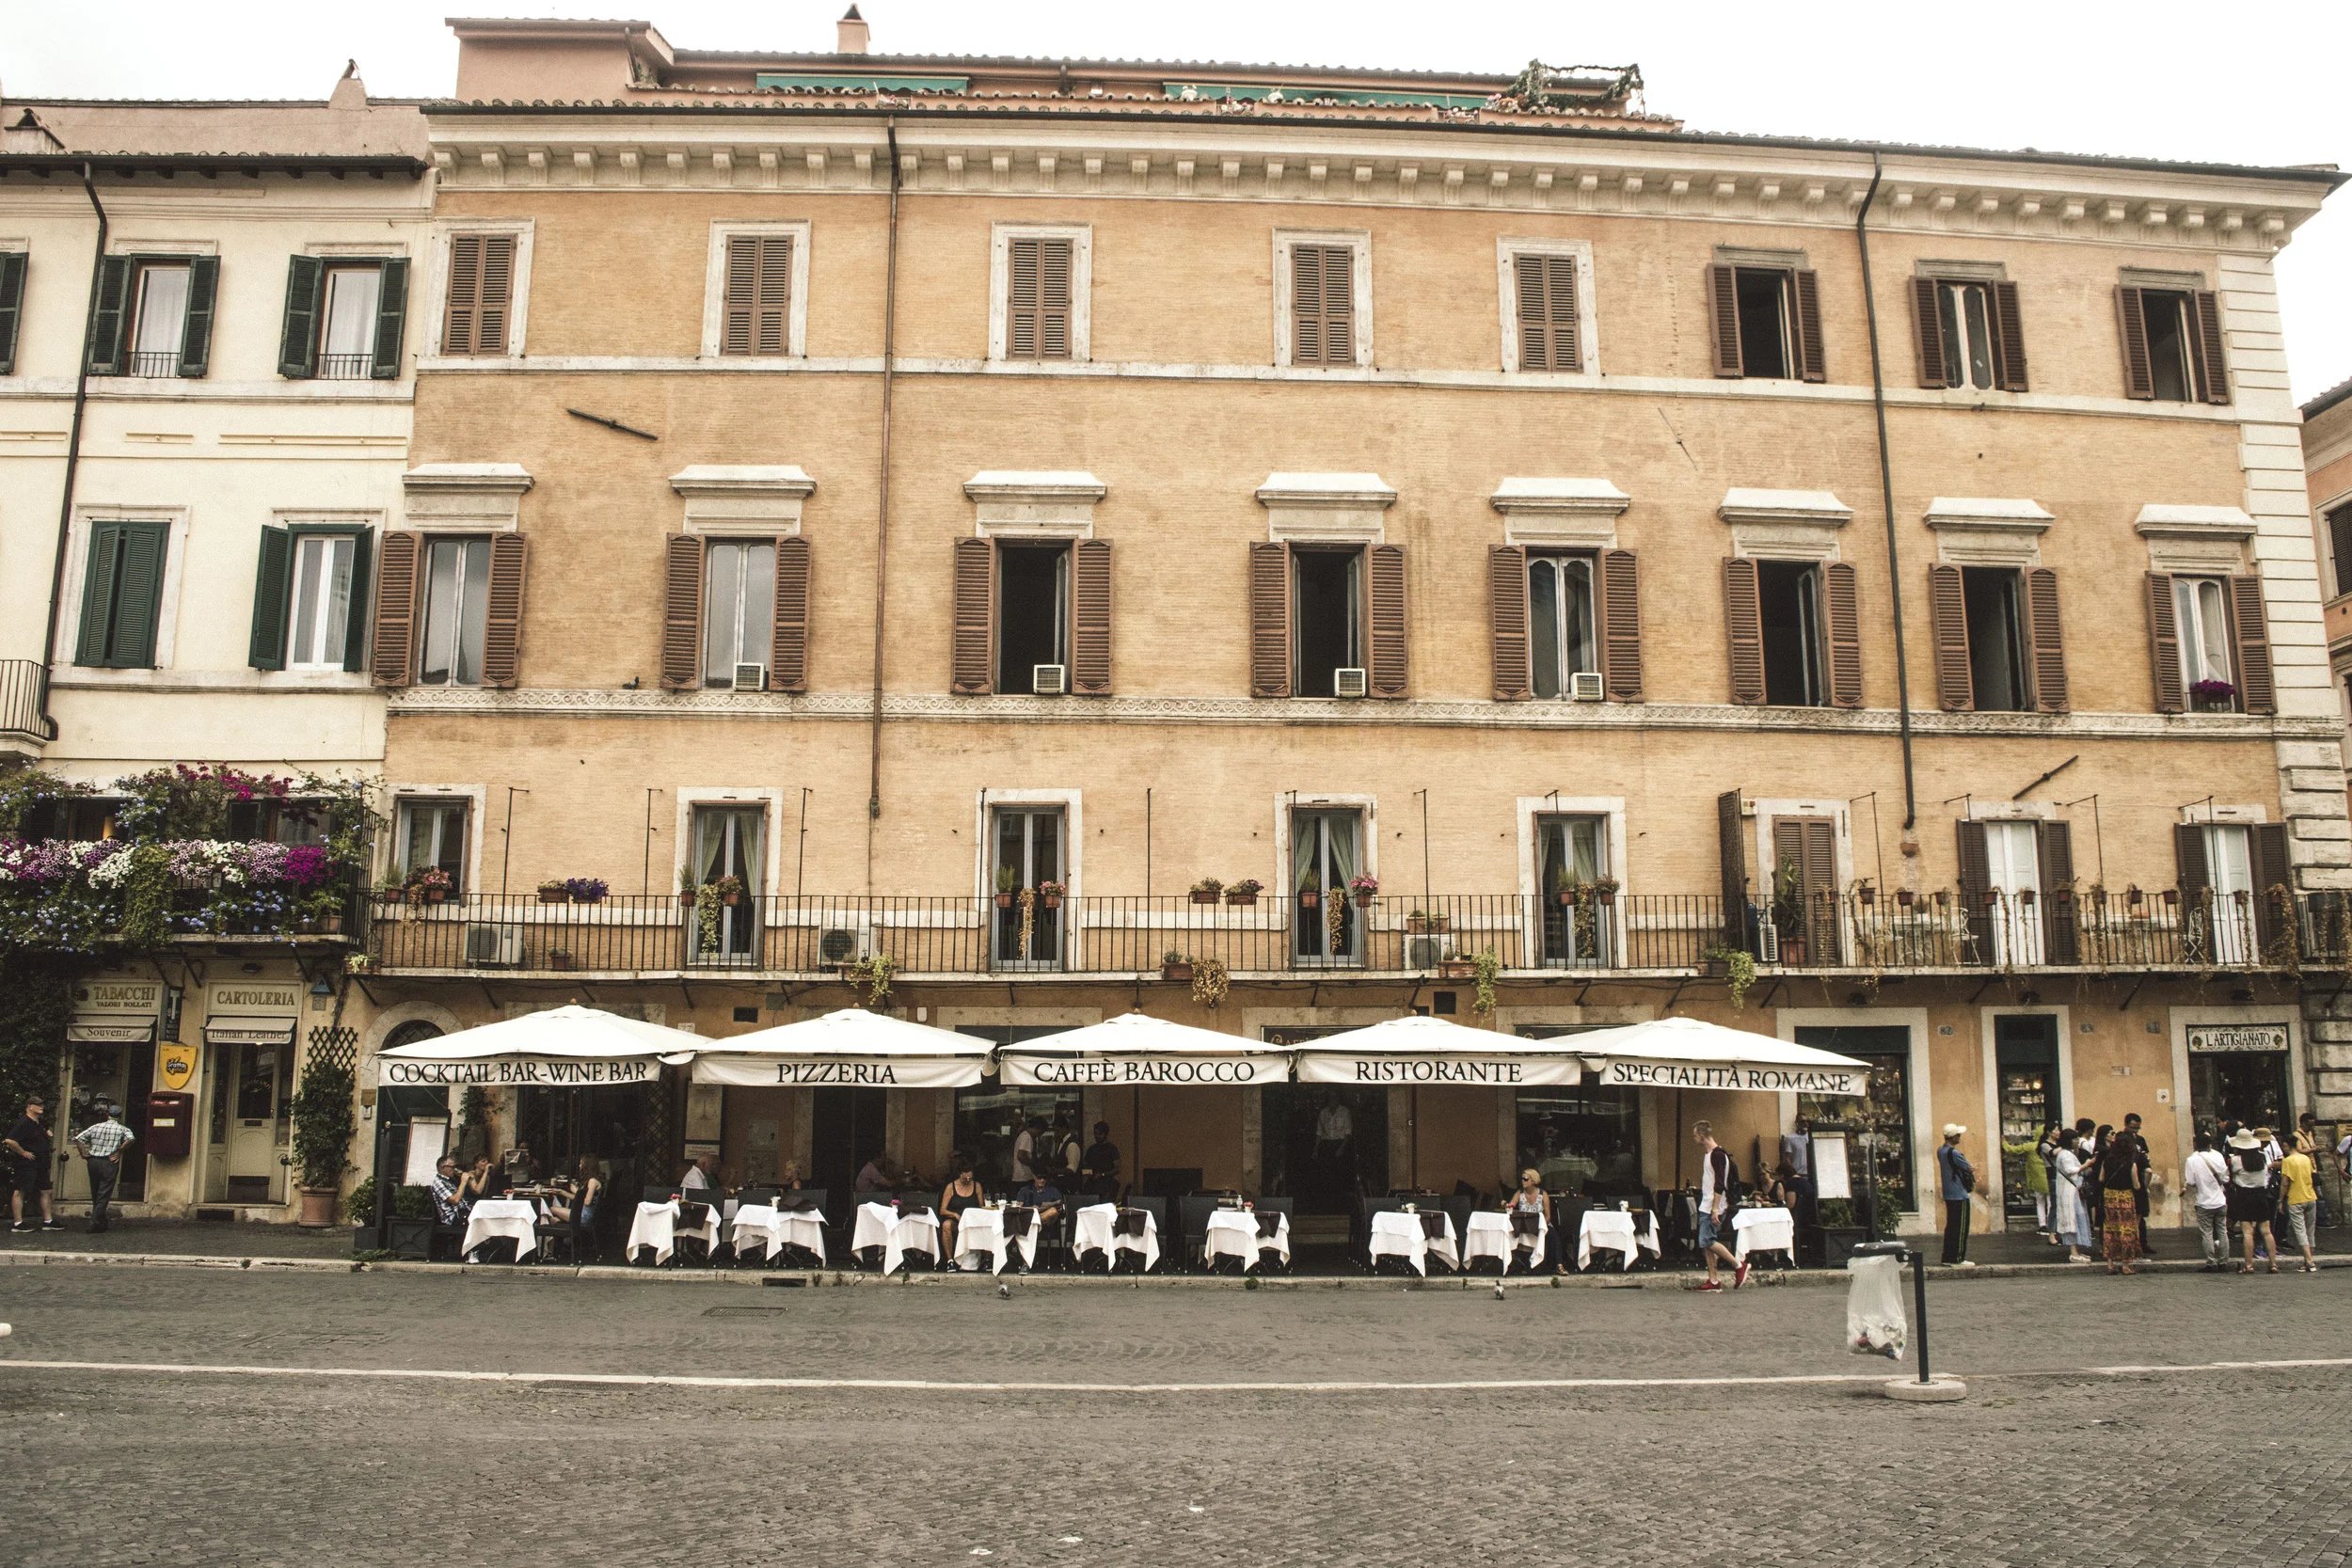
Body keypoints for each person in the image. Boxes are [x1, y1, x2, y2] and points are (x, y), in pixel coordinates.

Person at [1692, 1121, 1746, 1292]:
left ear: (1702, 1135)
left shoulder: (1718, 1155)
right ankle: (1713, 1280)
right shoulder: (1709, 1154)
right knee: (1708, 1243)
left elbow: (1720, 1183)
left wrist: (1715, 1209)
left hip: (1712, 1205)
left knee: (1706, 1240)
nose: (1694, 1139)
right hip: (1706, 1204)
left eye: (1695, 1135)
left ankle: (1738, 1265)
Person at [69, 1101, 136, 1234]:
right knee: (104, 1193)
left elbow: (78, 1138)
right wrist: (119, 1151)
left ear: (107, 1115)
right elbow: (131, 1139)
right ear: (120, 1116)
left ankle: (101, 1221)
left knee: (95, 1191)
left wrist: (83, 1153)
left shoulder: (96, 1126)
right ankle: (95, 1222)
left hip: (93, 1161)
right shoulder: (122, 1129)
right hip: (108, 1162)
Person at [2091, 1125, 2143, 1275]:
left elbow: (2101, 1178)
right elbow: (2136, 1185)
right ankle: (2126, 1265)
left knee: (2111, 1230)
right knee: (2126, 1230)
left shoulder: (2107, 1160)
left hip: (2110, 1197)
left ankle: (2110, 1264)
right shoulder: (2131, 1164)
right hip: (2125, 1197)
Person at [7, 1096, 63, 1233]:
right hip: (27, 1164)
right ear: (29, 1107)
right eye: (37, 1105)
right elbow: (10, 1140)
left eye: (41, 1104)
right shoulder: (24, 1122)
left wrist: (46, 1134)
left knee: (46, 1191)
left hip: (41, 1163)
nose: (41, 1107)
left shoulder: (38, 1123)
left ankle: (48, 1221)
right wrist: (23, 1152)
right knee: (21, 1190)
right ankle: (18, 1223)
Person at [2225, 1130, 2277, 1275]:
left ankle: (2249, 1265)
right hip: (2261, 1194)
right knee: (2267, 1231)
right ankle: (2273, 1264)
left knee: (2248, 1232)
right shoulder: (2262, 1158)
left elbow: (2227, 1177)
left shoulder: (2235, 1161)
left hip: (2244, 1196)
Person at [2183, 1131, 2233, 1273]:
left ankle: (2211, 1262)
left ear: (2195, 1144)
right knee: (2222, 1232)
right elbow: (2225, 1178)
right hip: (2220, 1200)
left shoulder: (2191, 1160)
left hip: (2204, 1201)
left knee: (2207, 1233)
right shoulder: (2217, 1156)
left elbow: (2191, 1181)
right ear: (2210, 1144)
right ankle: (2223, 1261)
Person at [1935, 1125, 1976, 1267]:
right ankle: (1958, 1257)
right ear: (1953, 1137)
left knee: (1951, 1226)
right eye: (1958, 1135)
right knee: (1961, 1227)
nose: (1960, 1137)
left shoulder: (1941, 1151)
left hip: (1948, 1193)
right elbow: (1968, 1168)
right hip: (1959, 1193)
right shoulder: (1954, 1153)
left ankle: (1947, 1256)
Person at [2006, 1122, 2054, 1241]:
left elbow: (2013, 1150)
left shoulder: (2031, 1146)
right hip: (2050, 1178)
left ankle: (2042, 1224)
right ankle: (2051, 1225)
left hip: (2037, 1179)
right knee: (2051, 1203)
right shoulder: (2050, 1146)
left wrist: (2004, 1142)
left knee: (2040, 1202)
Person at [1504, 1167, 1557, 1275]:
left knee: (1553, 1235)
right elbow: (1511, 1205)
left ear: (1533, 1181)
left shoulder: (1543, 1194)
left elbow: (1548, 1215)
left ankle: (1558, 1264)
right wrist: (1509, 1205)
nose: (1523, 1181)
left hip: (1539, 1224)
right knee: (1510, 1234)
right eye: (1522, 1179)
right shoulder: (1520, 1193)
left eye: (1525, 1179)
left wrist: (1542, 1226)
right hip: (1524, 1225)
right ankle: (1514, 1263)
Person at [1012, 1164, 1064, 1274]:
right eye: (1039, 1177)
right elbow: (1018, 1208)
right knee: (1026, 1223)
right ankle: (1025, 1263)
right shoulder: (1025, 1190)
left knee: (1053, 1211)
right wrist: (1031, 1209)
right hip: (1027, 1222)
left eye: (1044, 1178)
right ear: (1034, 1177)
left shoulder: (1053, 1191)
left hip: (1045, 1225)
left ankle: (1034, 1222)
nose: (1042, 1180)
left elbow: (1060, 1210)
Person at [2051, 1132, 2093, 1264]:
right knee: (2073, 1219)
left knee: (2076, 1218)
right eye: (2074, 1139)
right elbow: (2071, 1170)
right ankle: (2073, 1252)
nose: (2077, 1141)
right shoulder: (2065, 1155)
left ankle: (2076, 1251)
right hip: (2070, 1193)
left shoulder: (2066, 1154)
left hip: (2071, 1191)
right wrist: (2087, 1164)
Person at [2279, 1138, 2319, 1274]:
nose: (2283, 1148)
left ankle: (2309, 1261)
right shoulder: (2306, 1159)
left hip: (2296, 1198)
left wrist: (2280, 1200)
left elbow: (2285, 1183)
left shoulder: (2288, 1161)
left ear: (2288, 1146)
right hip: (2310, 1196)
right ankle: (2308, 1260)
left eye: (2284, 1145)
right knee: (2310, 1230)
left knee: (2300, 1232)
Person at [938, 1155, 985, 1265]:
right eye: (965, 1178)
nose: (968, 1180)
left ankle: (986, 1258)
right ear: (960, 1174)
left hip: (972, 1221)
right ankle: (950, 1260)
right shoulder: (951, 1187)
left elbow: (981, 1206)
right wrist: (955, 1215)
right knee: (946, 1225)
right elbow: (942, 1210)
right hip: (957, 1220)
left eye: (970, 1178)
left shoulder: (977, 1186)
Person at [2122, 1113, 2155, 1259]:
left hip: (2140, 1179)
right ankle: (2133, 1246)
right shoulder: (2122, 1138)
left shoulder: (2140, 1140)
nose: (2136, 1130)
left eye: (2138, 1127)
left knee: (2141, 1214)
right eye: (2133, 1127)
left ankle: (2143, 1243)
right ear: (2127, 1124)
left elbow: (2146, 1157)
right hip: (2128, 1180)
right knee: (2132, 1216)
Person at [547, 1155, 601, 1231]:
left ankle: (557, 1236)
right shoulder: (590, 1180)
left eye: (581, 1163)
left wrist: (577, 1191)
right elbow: (579, 1198)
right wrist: (562, 1192)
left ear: (587, 1165)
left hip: (583, 1216)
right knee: (555, 1219)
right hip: (582, 1214)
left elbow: (587, 1201)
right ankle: (560, 1231)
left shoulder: (592, 1181)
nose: (579, 1165)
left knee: (551, 1209)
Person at [430, 1155, 480, 1227]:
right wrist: (463, 1182)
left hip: (464, 1211)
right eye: (452, 1167)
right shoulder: (438, 1182)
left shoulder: (449, 1180)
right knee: (480, 1222)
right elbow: (455, 1200)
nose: (454, 1169)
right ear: (442, 1168)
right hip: (454, 1217)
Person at [1079, 1121, 1121, 1201]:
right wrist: (1088, 1173)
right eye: (1095, 1134)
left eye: (1100, 1134)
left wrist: (1102, 1174)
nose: (1097, 1136)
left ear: (1105, 1134)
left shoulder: (1112, 1149)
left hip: (1106, 1186)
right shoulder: (1091, 1149)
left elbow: (1117, 1169)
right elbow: (1085, 1166)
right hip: (1091, 1185)